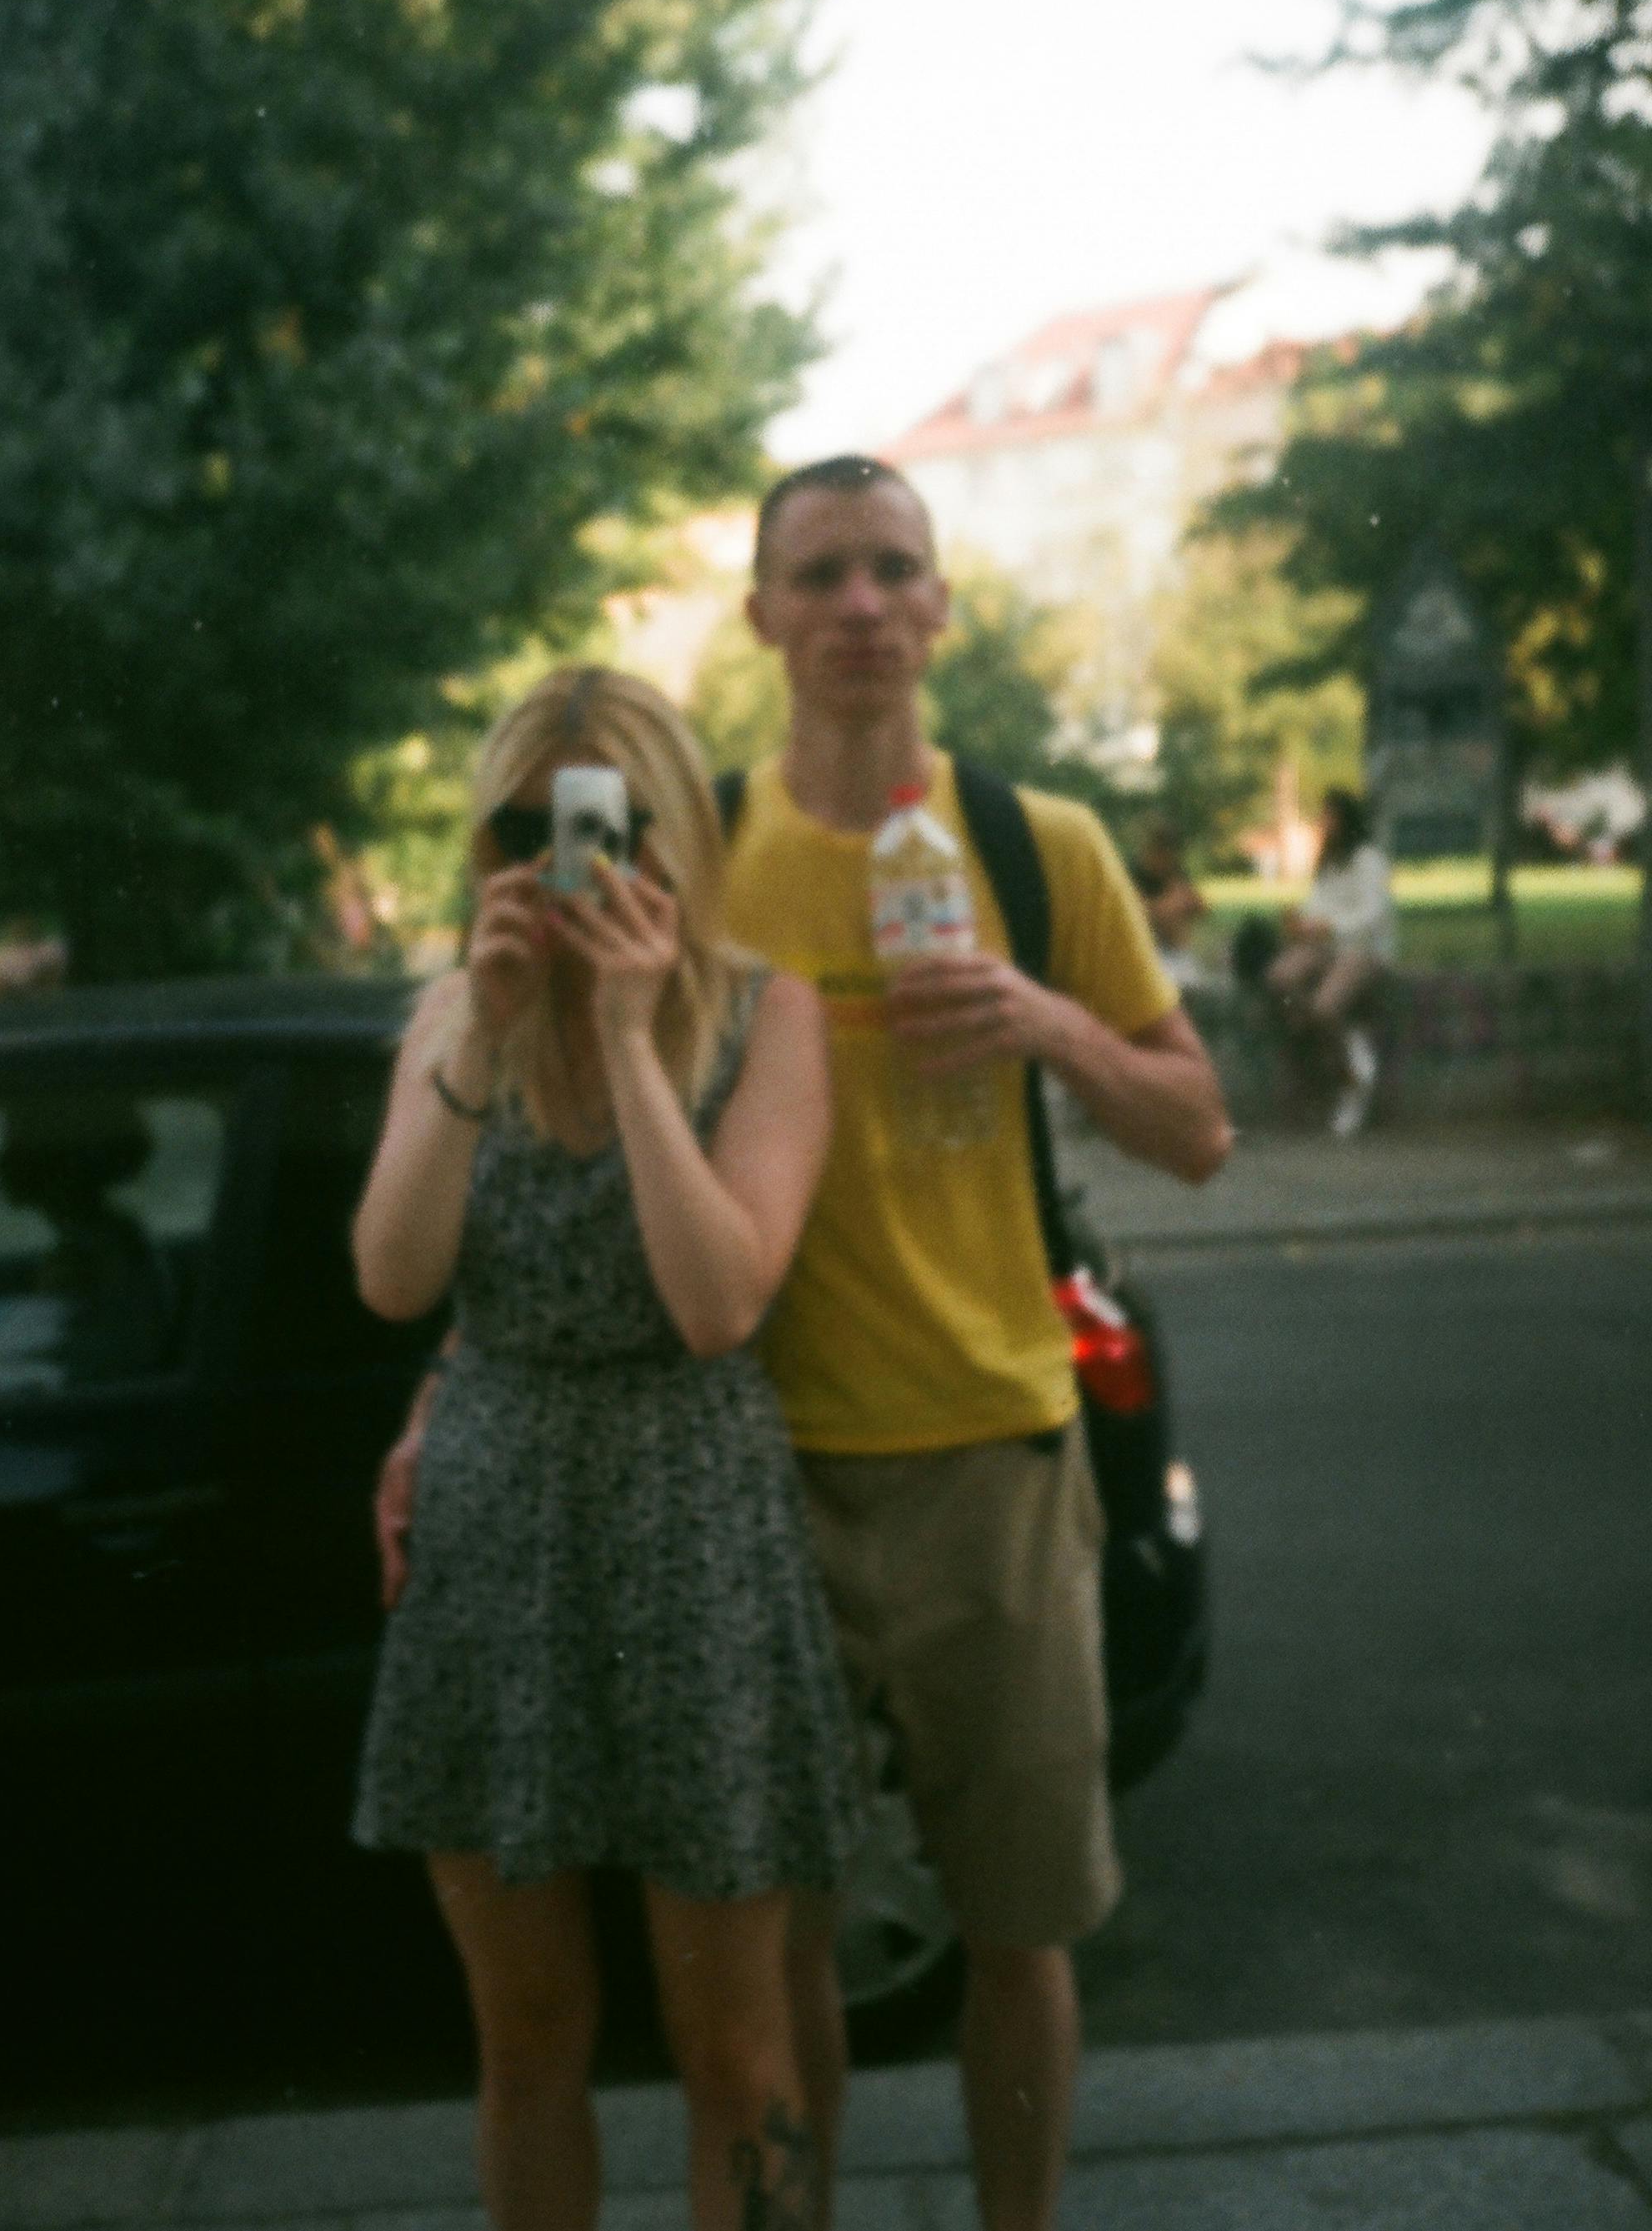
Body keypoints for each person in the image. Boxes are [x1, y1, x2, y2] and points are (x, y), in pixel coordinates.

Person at [723, 456, 1232, 2231]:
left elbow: (1197, 1127)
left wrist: (1041, 1021)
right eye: (819, 573)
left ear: (938, 607)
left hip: (996, 1458)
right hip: (757, 1466)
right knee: (779, 1930)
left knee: (1015, 1926)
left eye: (891, 569)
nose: (858, 603)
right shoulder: (706, 850)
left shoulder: (1041, 843)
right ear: (763, 615)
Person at [352, 666, 861, 2231]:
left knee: (729, 2040)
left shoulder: (766, 1011)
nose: (563, 862)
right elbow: (392, 1274)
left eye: (603, 825)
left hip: (689, 1524)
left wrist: (635, 1042)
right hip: (499, 1536)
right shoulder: (451, 1012)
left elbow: (717, 1301)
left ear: (675, 835)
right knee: (526, 2038)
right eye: (525, 827)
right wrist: (481, 1043)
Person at [1264, 786, 1396, 1138]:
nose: (1323, 823)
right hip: (1328, 946)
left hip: (1363, 948)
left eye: (1329, 817)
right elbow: (1318, 904)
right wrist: (1302, 922)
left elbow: (1374, 915)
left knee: (1325, 1007)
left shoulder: (1369, 860)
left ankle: (1353, 1076)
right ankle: (1317, 1042)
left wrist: (1329, 926)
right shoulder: (1328, 861)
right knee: (1281, 977)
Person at [1128, 819, 1209, 988]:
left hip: (1176, 950)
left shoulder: (1174, 872)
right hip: (1145, 951)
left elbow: (1200, 906)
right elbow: (1137, 911)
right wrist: (1168, 905)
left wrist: (1182, 903)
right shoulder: (1134, 874)